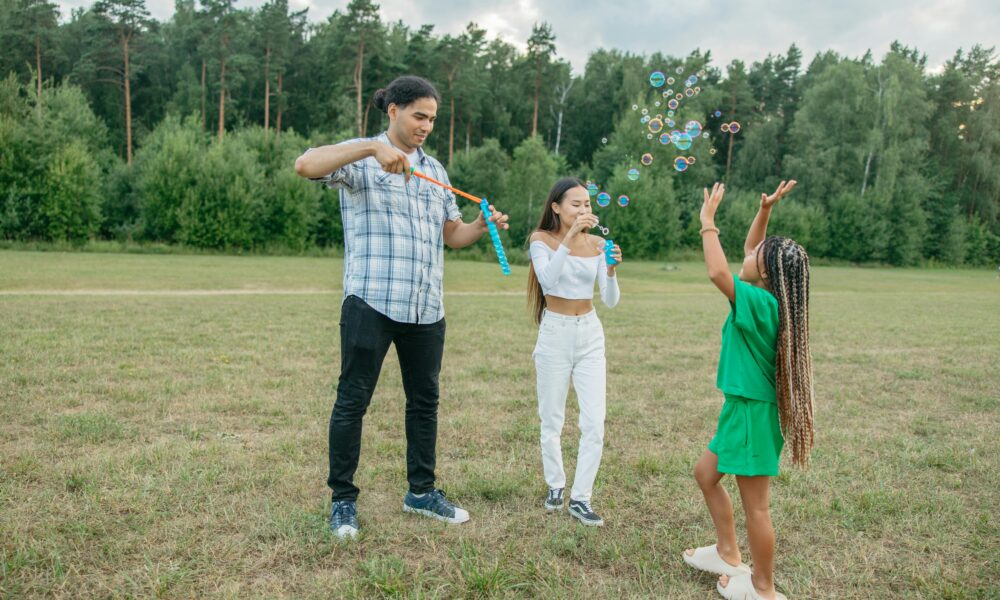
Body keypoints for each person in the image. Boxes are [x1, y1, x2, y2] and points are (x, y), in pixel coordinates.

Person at [294, 75, 509, 540]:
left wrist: (479, 224)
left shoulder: (436, 171)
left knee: (424, 403)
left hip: (426, 308)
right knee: (353, 401)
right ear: (393, 110)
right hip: (370, 300)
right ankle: (343, 502)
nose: (427, 126)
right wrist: (370, 151)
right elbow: (305, 165)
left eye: (432, 118)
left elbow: (452, 235)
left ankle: (421, 493)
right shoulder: (363, 156)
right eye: (419, 116)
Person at [681, 181, 814, 600]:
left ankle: (764, 588)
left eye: (756, 256)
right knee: (706, 475)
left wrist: (707, 224)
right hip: (741, 409)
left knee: (757, 507)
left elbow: (719, 271)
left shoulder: (757, 302)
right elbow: (749, 253)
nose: (749, 254)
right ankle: (727, 553)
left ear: (768, 272)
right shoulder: (768, 297)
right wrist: (765, 212)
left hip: (754, 415)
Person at [526, 178, 622, 527]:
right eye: (576, 205)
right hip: (555, 332)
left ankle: (581, 498)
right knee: (552, 419)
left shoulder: (598, 244)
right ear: (556, 207)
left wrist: (610, 270)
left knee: (594, 422)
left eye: (587, 205)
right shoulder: (541, 240)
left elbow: (610, 301)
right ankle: (555, 484)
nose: (584, 211)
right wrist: (569, 238)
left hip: (590, 334)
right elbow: (549, 281)